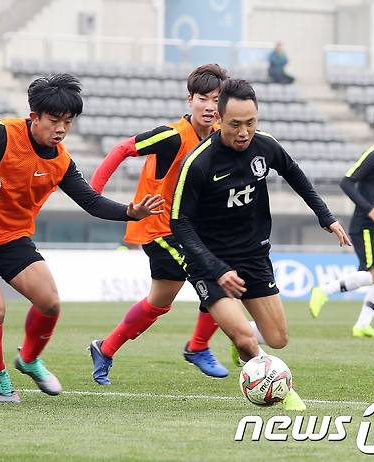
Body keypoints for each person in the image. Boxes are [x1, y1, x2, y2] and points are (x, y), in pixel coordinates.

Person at [0, 73, 164, 404]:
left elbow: (92, 202)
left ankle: (28, 360)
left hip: (13, 238)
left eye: (68, 122)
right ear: (34, 115)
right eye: (54, 120)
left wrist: (130, 212)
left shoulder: (61, 161)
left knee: (50, 303)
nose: (61, 129)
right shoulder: (0, 134)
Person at [169, 79, 351, 411]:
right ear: (219, 120)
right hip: (209, 262)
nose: (244, 132)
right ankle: (283, 390)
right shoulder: (198, 163)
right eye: (235, 124)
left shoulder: (264, 146)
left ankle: (241, 342)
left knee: (279, 338)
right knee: (244, 337)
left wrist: (326, 217)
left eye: (251, 123)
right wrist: (215, 269)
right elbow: (178, 223)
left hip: (253, 254)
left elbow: (295, 174)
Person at [88, 64, 229, 385]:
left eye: (215, 100)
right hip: (159, 227)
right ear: (189, 99)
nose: (209, 106)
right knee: (217, 279)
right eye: (202, 98)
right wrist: (92, 194)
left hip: (190, 229)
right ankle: (198, 346)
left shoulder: (221, 135)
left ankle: (104, 349)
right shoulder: (172, 135)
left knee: (158, 303)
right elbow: (121, 149)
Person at [309, 110, 374, 338]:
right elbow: (347, 182)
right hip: (364, 224)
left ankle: (362, 325)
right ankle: (323, 291)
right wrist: (370, 209)